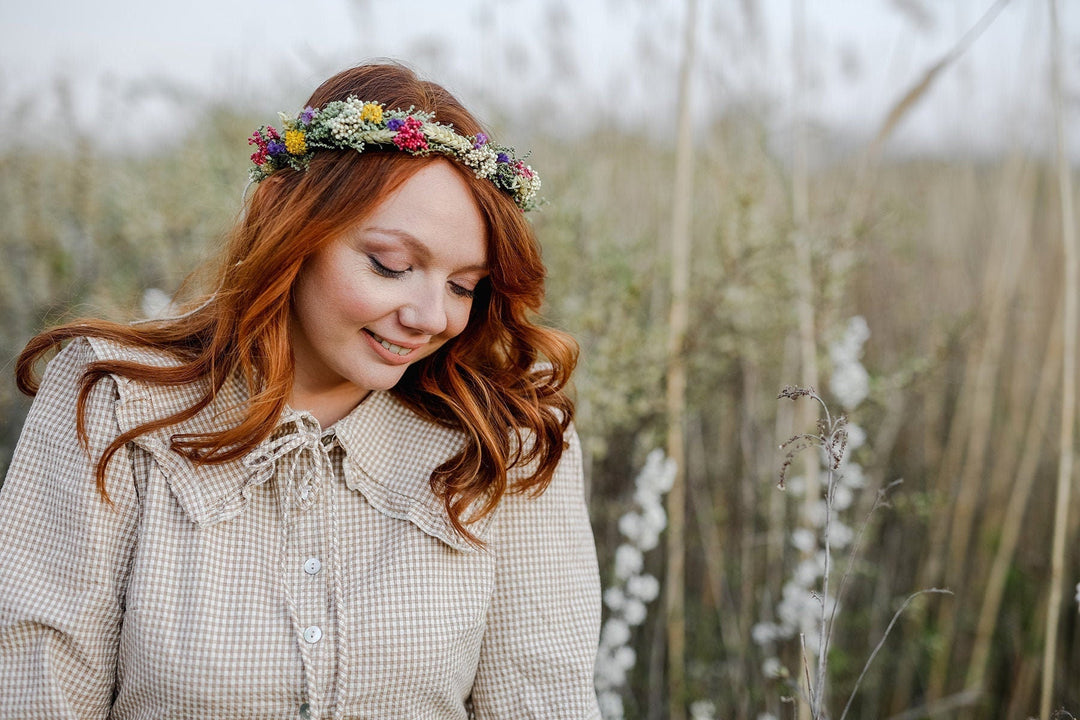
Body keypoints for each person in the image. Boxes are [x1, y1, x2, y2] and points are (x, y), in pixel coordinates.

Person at [0, 62, 602, 719]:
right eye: (392, 266)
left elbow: (545, 700)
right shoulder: (114, 398)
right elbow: (35, 688)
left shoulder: (509, 441)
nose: (433, 316)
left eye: (463, 285)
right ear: (293, 232)